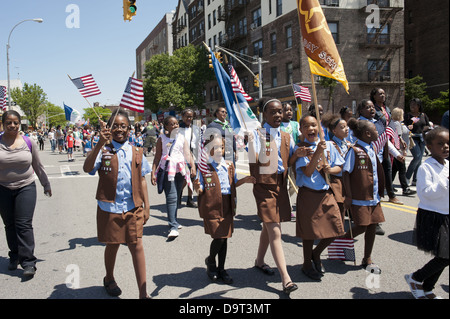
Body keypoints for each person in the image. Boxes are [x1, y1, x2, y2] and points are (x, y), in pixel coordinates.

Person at [83, 109, 151, 299]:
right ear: (108, 128)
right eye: (115, 126)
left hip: (133, 207)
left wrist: (147, 206)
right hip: (110, 208)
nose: (119, 129)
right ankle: (109, 278)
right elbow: (87, 168)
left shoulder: (137, 151)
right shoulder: (103, 150)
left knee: (137, 245)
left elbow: (143, 179)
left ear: (129, 129)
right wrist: (98, 144)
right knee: (113, 245)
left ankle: (143, 294)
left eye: (123, 126)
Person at [247, 97, 310, 295]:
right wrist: (253, 147)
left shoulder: (286, 135)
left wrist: (297, 154)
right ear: (264, 115)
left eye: (280, 112)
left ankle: (259, 261)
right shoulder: (256, 134)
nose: (277, 115)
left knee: (269, 226)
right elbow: (253, 161)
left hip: (280, 185)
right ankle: (286, 278)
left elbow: (289, 161)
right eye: (273, 112)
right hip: (264, 185)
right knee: (275, 230)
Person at [194, 134, 255, 284]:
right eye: (215, 148)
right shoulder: (204, 167)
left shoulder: (229, 165)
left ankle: (221, 268)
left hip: (227, 205)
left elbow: (233, 184)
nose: (219, 150)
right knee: (219, 237)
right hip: (212, 206)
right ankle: (210, 261)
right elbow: (200, 187)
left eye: (221, 147)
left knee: (225, 237)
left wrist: (245, 180)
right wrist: (197, 188)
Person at [0, 110, 52, 278]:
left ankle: (28, 262)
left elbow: (37, 164)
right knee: (9, 224)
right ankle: (14, 256)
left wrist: (46, 184)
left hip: (26, 187)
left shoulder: (28, 142)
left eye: (15, 122)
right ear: (3, 123)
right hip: (2, 188)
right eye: (9, 122)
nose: (12, 125)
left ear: (19, 123)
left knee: (23, 224)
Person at [295, 115, 345, 281]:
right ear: (301, 130)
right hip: (308, 194)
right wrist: (317, 152)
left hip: (326, 193)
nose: (311, 129)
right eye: (306, 126)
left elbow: (341, 166)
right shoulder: (301, 149)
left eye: (314, 125)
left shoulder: (329, 145)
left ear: (319, 128)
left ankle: (316, 254)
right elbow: (308, 172)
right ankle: (306, 264)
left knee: (335, 229)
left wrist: (332, 170)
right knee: (309, 234)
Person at [405, 127, 449, 299]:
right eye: (440, 144)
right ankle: (416, 278)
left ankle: (427, 287)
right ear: (429, 146)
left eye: (447, 143)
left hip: (446, 214)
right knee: (445, 256)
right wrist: (445, 183)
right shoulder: (426, 167)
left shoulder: (447, 165)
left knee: (444, 255)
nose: (446, 147)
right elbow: (425, 194)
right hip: (433, 216)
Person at [342, 119, 386, 274]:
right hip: (359, 197)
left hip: (373, 196)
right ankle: (342, 242)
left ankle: (367, 257)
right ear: (367, 133)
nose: (377, 132)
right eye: (375, 130)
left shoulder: (372, 148)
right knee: (362, 225)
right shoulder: (354, 150)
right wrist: (347, 195)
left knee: (372, 225)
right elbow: (346, 173)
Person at [151, 116, 196, 239]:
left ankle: (174, 221)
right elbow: (157, 157)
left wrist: (192, 166)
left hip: (180, 170)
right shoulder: (161, 139)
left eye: (176, 124)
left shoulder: (181, 138)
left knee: (176, 197)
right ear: (166, 126)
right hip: (167, 170)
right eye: (172, 124)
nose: (175, 126)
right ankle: (173, 227)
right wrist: (153, 172)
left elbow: (187, 153)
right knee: (171, 197)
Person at [405, 98, 431, 186]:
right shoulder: (407, 115)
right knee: (417, 157)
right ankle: (407, 177)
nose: (412, 106)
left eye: (414, 104)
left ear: (419, 106)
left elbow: (428, 125)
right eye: (411, 104)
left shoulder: (423, 115)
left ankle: (415, 179)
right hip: (413, 138)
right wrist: (407, 127)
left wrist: (426, 129)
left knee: (419, 160)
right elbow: (402, 125)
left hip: (422, 139)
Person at [390, 108, 416, 196]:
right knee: (402, 169)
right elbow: (399, 138)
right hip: (399, 150)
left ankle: (389, 185)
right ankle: (405, 188)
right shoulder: (397, 123)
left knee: (394, 169)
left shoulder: (394, 122)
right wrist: (403, 150)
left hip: (396, 149)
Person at [179, 108, 201, 208]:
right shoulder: (178, 128)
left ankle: (190, 199)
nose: (189, 118)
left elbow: (199, 142)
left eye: (191, 116)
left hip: (193, 156)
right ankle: (178, 195)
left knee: (192, 178)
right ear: (182, 117)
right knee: (183, 178)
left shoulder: (195, 129)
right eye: (187, 116)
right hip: (180, 156)